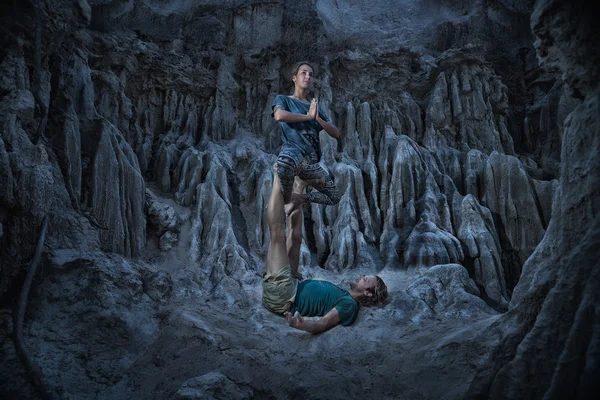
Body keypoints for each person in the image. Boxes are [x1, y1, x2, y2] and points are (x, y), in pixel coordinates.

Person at [262, 165, 388, 334]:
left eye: (365, 280)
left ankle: (278, 177)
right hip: (292, 284)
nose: (361, 277)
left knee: (278, 235)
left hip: (284, 295)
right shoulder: (344, 295)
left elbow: (321, 324)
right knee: (296, 238)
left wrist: (302, 325)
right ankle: (299, 186)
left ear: (368, 294)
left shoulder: (349, 305)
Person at [271, 61, 342, 216]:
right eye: (303, 73)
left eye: (310, 74)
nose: (308, 76)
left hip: (310, 160)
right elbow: (279, 115)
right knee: (284, 162)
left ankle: (299, 199)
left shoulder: (315, 108)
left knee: (334, 197)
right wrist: (307, 116)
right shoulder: (284, 99)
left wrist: (318, 119)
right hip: (293, 151)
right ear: (294, 78)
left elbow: (336, 133)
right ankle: (288, 198)